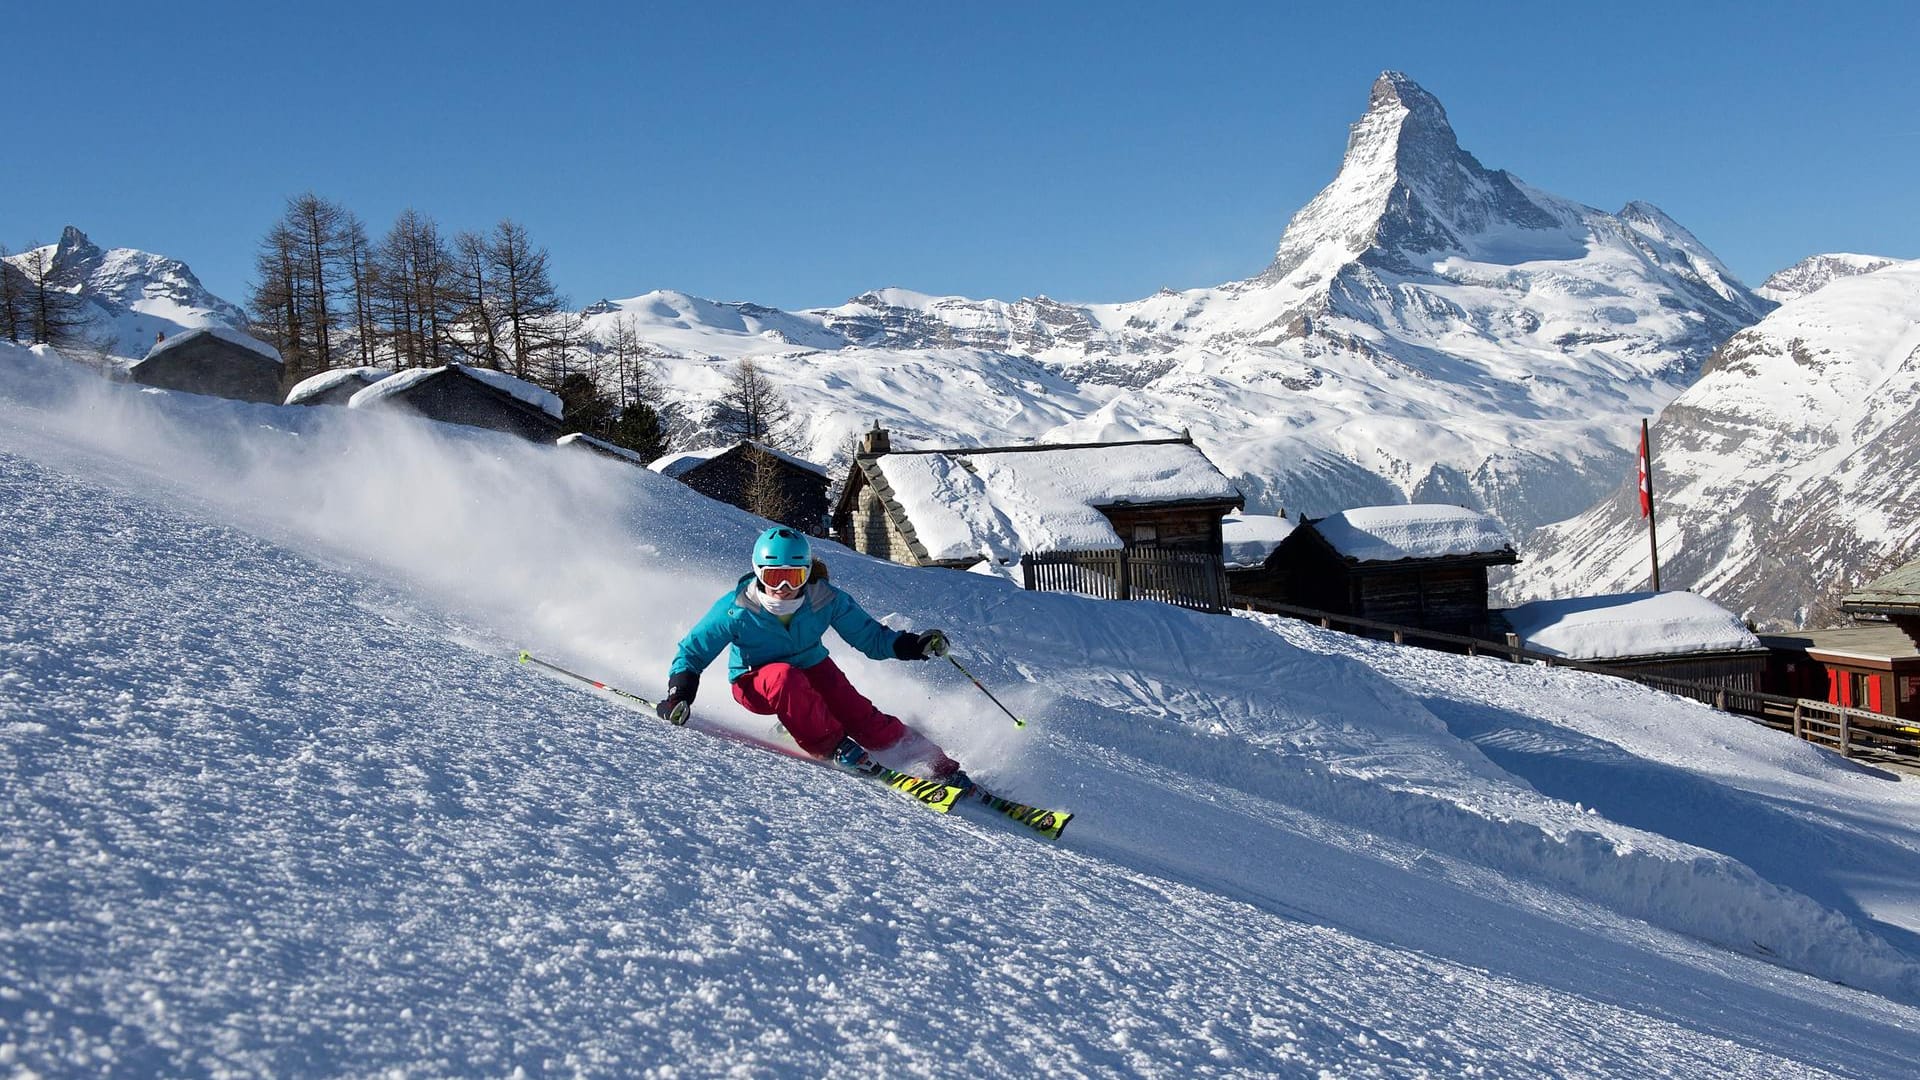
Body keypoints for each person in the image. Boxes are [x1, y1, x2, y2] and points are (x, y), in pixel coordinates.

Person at [659, 525, 969, 784]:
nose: (782, 587)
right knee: (785, 678)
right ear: (757, 573)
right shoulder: (736, 609)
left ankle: (932, 761)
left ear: (807, 574)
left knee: (857, 712)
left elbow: (871, 638)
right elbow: (693, 651)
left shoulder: (824, 599)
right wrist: (679, 695)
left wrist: (915, 646)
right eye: (772, 577)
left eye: (793, 577)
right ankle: (832, 744)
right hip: (754, 681)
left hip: (811, 666)